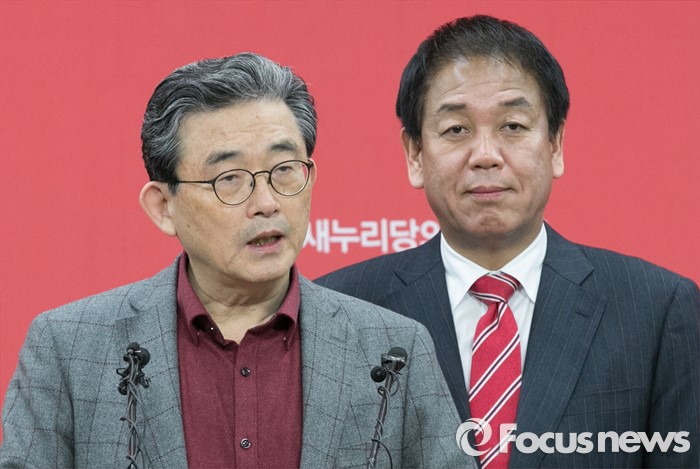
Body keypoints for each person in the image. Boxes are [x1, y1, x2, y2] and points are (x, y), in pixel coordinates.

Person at [0, 52, 474, 469]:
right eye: (229, 178)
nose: (266, 202)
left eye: (284, 170)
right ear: (163, 207)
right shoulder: (68, 350)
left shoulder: (393, 347)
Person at [317, 15, 700, 468]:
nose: (485, 155)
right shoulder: (339, 313)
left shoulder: (657, 310)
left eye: (513, 126)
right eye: (456, 129)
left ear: (555, 144)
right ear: (415, 154)